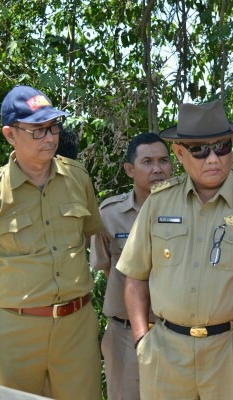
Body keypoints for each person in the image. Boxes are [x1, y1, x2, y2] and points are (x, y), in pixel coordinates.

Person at [116, 99, 233, 400]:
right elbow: (135, 276)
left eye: (223, 147)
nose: (213, 159)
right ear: (179, 153)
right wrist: (141, 340)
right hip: (166, 354)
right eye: (200, 150)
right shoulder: (159, 202)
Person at [0, 85, 103, 399]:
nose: (49, 138)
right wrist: (19, 296)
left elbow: (86, 237)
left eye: (52, 127)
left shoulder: (78, 179)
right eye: (37, 130)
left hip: (76, 326)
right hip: (16, 330)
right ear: (10, 135)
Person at [90, 132, 173, 400]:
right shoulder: (109, 214)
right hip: (124, 335)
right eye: (147, 162)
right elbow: (108, 270)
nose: (157, 169)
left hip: (177, 333)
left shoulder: (190, 211)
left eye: (163, 160)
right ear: (129, 169)